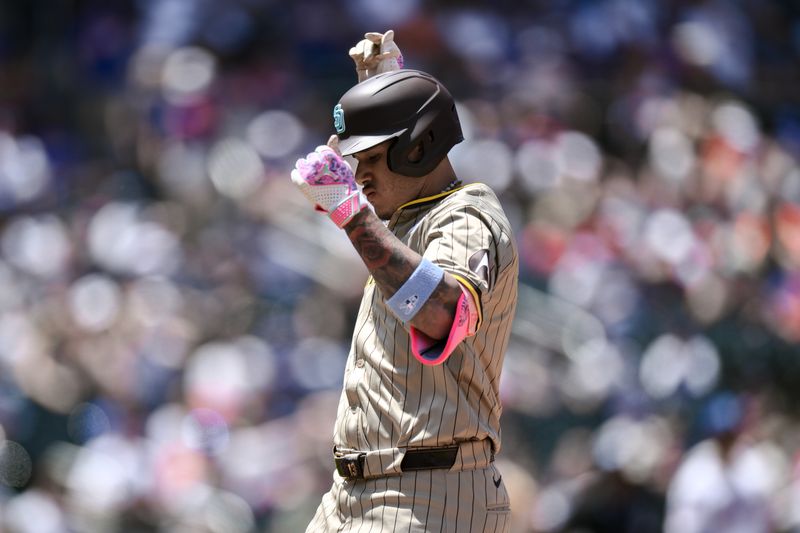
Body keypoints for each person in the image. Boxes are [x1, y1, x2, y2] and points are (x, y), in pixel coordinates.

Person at [291, 31, 519, 532]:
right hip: (354, 493)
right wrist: (382, 87)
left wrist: (348, 211)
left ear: (418, 148)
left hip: (429, 494)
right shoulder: (405, 219)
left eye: (372, 159)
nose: (360, 175)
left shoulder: (468, 216)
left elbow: (441, 311)